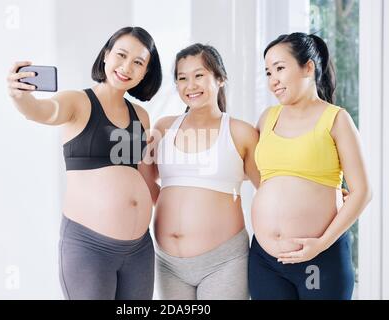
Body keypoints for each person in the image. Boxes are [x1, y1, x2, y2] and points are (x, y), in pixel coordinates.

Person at [7, 26, 162, 299]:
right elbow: (42, 111)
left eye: (138, 62)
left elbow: (138, 174)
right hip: (89, 248)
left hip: (139, 250)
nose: (126, 67)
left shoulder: (142, 116)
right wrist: (21, 97)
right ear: (105, 55)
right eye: (121, 55)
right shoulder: (78, 101)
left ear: (146, 72)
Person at [249, 32, 372, 300]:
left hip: (321, 257)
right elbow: (261, 176)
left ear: (308, 67)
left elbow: (362, 192)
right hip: (265, 260)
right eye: (268, 73)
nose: (273, 81)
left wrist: (320, 244)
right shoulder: (267, 118)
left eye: (280, 68)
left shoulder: (336, 119)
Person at [144, 43, 260, 300]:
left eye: (199, 75)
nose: (190, 85)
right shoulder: (162, 128)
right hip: (167, 263)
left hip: (224, 261)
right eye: (182, 78)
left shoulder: (241, 132)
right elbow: (144, 182)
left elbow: (268, 189)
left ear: (220, 78)